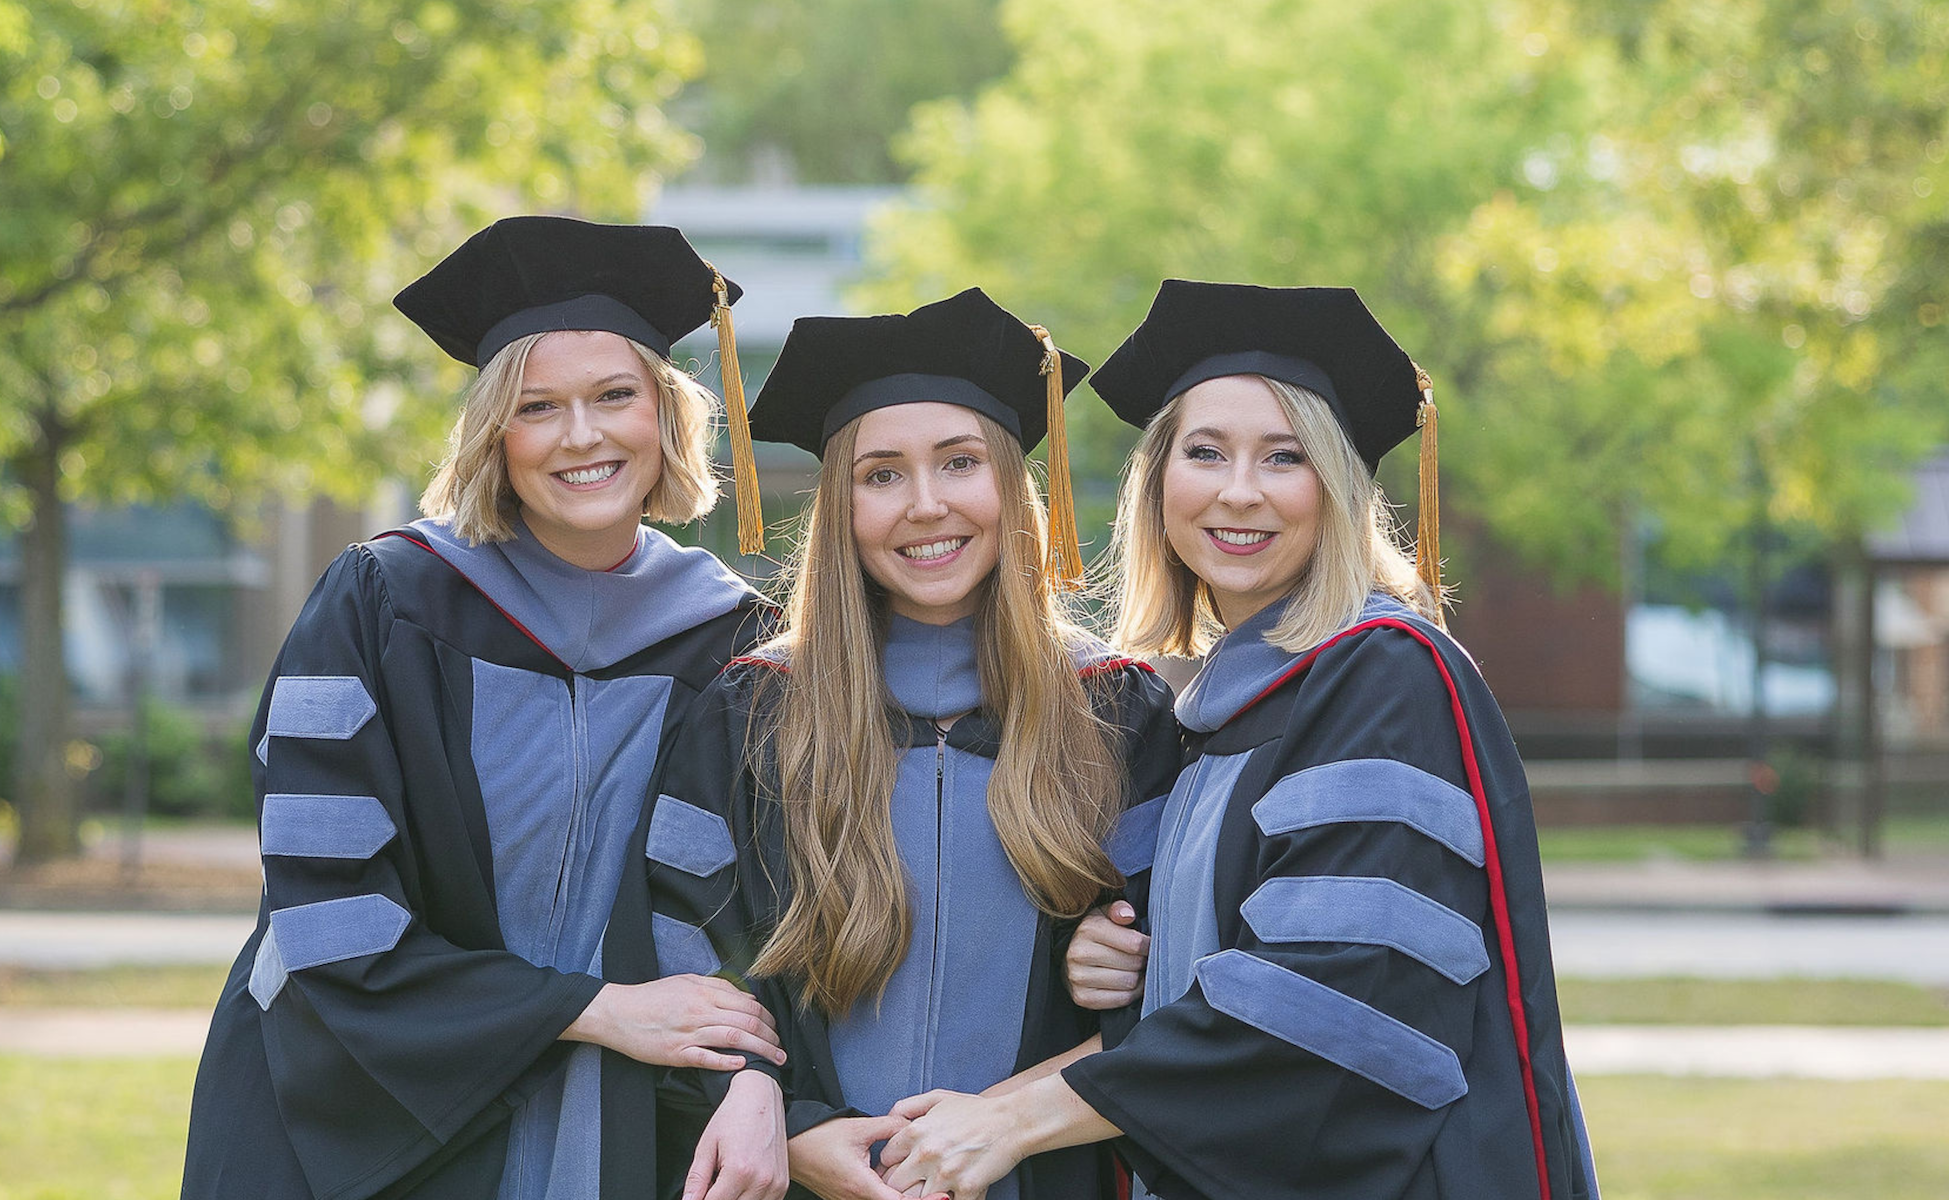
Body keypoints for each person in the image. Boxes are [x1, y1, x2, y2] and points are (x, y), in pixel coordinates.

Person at [879, 281, 1599, 1200]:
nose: (1239, 491)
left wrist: (1010, 1121)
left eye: (1284, 457)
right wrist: (1117, 959)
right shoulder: (1221, 703)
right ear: (1159, 485)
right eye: (1206, 453)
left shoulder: (1383, 674)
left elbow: (1329, 1005)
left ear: (1335, 487)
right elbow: (1216, 975)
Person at [182, 216, 789, 1200]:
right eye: (538, 406)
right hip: (358, 1105)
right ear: (493, 433)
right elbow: (328, 913)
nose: (582, 435)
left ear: (666, 416)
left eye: (614, 396)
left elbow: (757, 908)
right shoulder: (383, 602)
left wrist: (754, 1072)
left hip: (624, 1116)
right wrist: (592, 1011)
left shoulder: (733, 640)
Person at [645, 289, 1181, 1200]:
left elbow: (1182, 973)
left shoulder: (1115, 711)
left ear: (1012, 485)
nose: (925, 505)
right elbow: (681, 940)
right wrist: (786, 1117)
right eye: (881, 474)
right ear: (841, 508)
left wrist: (1122, 959)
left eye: (959, 462)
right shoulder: (756, 709)